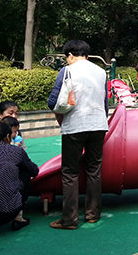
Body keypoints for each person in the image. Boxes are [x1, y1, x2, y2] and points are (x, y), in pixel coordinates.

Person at [48, 40, 109, 230]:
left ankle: (69, 219)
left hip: (74, 126)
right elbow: (105, 103)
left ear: (70, 55)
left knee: (70, 172)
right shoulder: (101, 72)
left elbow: (53, 101)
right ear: (87, 55)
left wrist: (60, 114)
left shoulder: (67, 71)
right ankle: (93, 214)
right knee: (94, 170)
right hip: (98, 125)